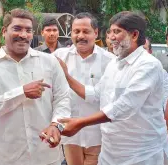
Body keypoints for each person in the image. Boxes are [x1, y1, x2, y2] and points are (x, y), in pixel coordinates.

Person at [51, 11, 168, 165]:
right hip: (110, 151)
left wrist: (80, 123)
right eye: (110, 32)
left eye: (117, 32)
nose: (111, 38)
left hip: (141, 153)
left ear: (134, 35)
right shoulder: (115, 63)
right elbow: (95, 94)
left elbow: (125, 106)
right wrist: (66, 76)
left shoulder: (148, 65)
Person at [0, 8, 70, 165]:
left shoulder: (49, 62)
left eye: (28, 30)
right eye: (17, 29)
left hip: (47, 155)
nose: (23, 35)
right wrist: (22, 92)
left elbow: (63, 98)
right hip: (9, 157)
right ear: (4, 31)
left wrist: (56, 125)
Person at [53, 12, 115, 165]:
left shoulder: (110, 61)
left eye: (86, 31)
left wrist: (66, 76)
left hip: (97, 134)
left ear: (96, 33)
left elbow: (100, 97)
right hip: (69, 134)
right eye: (76, 31)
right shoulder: (59, 57)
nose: (80, 36)